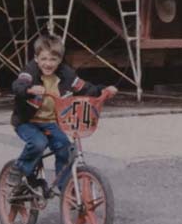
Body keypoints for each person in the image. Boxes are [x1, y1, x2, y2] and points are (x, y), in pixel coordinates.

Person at [9, 32, 117, 197]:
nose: (48, 63)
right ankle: (18, 169)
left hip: (51, 122)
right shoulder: (30, 71)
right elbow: (18, 85)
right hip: (27, 121)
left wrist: (104, 90)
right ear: (36, 58)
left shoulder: (66, 74)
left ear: (60, 60)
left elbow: (85, 88)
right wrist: (29, 89)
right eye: (44, 59)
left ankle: (65, 187)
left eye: (53, 59)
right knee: (39, 143)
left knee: (65, 148)